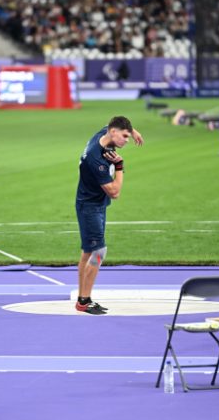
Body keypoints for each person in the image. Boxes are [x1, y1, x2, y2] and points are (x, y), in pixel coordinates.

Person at [75, 116, 143, 315]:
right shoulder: (97, 159)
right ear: (113, 133)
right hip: (91, 208)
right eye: (124, 136)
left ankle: (83, 298)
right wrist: (120, 167)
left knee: (88, 252)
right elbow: (115, 192)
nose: (127, 140)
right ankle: (84, 301)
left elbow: (113, 122)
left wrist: (134, 130)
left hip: (91, 203)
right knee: (99, 252)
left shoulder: (102, 135)